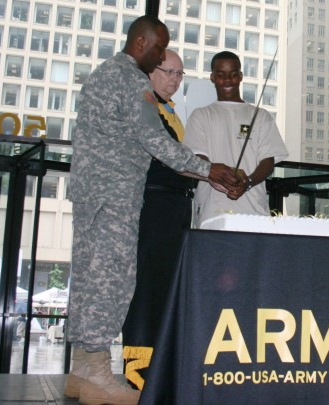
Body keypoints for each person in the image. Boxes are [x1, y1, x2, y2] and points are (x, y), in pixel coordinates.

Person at [65, 16, 240, 405]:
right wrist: (208, 169)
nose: (162, 55)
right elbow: (152, 138)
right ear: (141, 42)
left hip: (93, 194)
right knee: (110, 282)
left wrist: (203, 171)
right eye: (160, 49)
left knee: (90, 279)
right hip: (115, 197)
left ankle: (80, 370)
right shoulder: (130, 79)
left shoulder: (104, 73)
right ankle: (97, 376)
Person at [120, 49, 194, 388]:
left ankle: (160, 368)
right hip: (152, 207)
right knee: (146, 290)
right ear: (150, 71)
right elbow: (163, 161)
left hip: (174, 211)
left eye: (180, 74)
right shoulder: (144, 107)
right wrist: (203, 167)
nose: (175, 80)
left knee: (166, 290)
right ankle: (137, 372)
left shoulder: (170, 111)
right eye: (169, 72)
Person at [183, 51, 289, 227]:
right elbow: (197, 158)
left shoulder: (261, 116)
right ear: (212, 77)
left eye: (233, 75)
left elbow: (268, 161)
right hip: (212, 210)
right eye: (221, 75)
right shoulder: (201, 115)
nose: (227, 81)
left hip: (254, 211)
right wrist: (220, 178)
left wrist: (248, 182)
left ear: (240, 76)